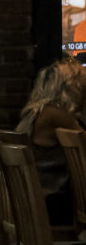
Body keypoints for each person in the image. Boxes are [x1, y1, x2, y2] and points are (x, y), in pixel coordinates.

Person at [15, 57, 86, 224]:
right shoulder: (55, 114)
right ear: (73, 87)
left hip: (31, 199)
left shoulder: (36, 111)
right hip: (51, 202)